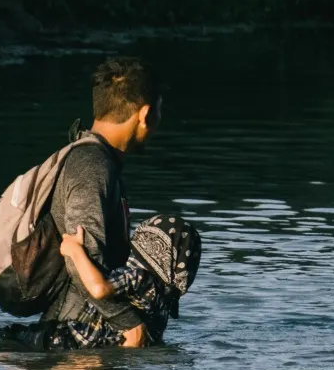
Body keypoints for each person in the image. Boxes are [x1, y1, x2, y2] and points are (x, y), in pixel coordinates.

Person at [20, 56, 166, 349]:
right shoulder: (92, 167)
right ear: (145, 114)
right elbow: (79, 258)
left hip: (77, 341)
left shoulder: (99, 162)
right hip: (71, 346)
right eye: (160, 111)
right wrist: (131, 325)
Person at [37, 214, 202, 349]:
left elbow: (99, 289)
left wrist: (75, 251)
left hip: (68, 341)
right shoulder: (165, 305)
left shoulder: (140, 277)